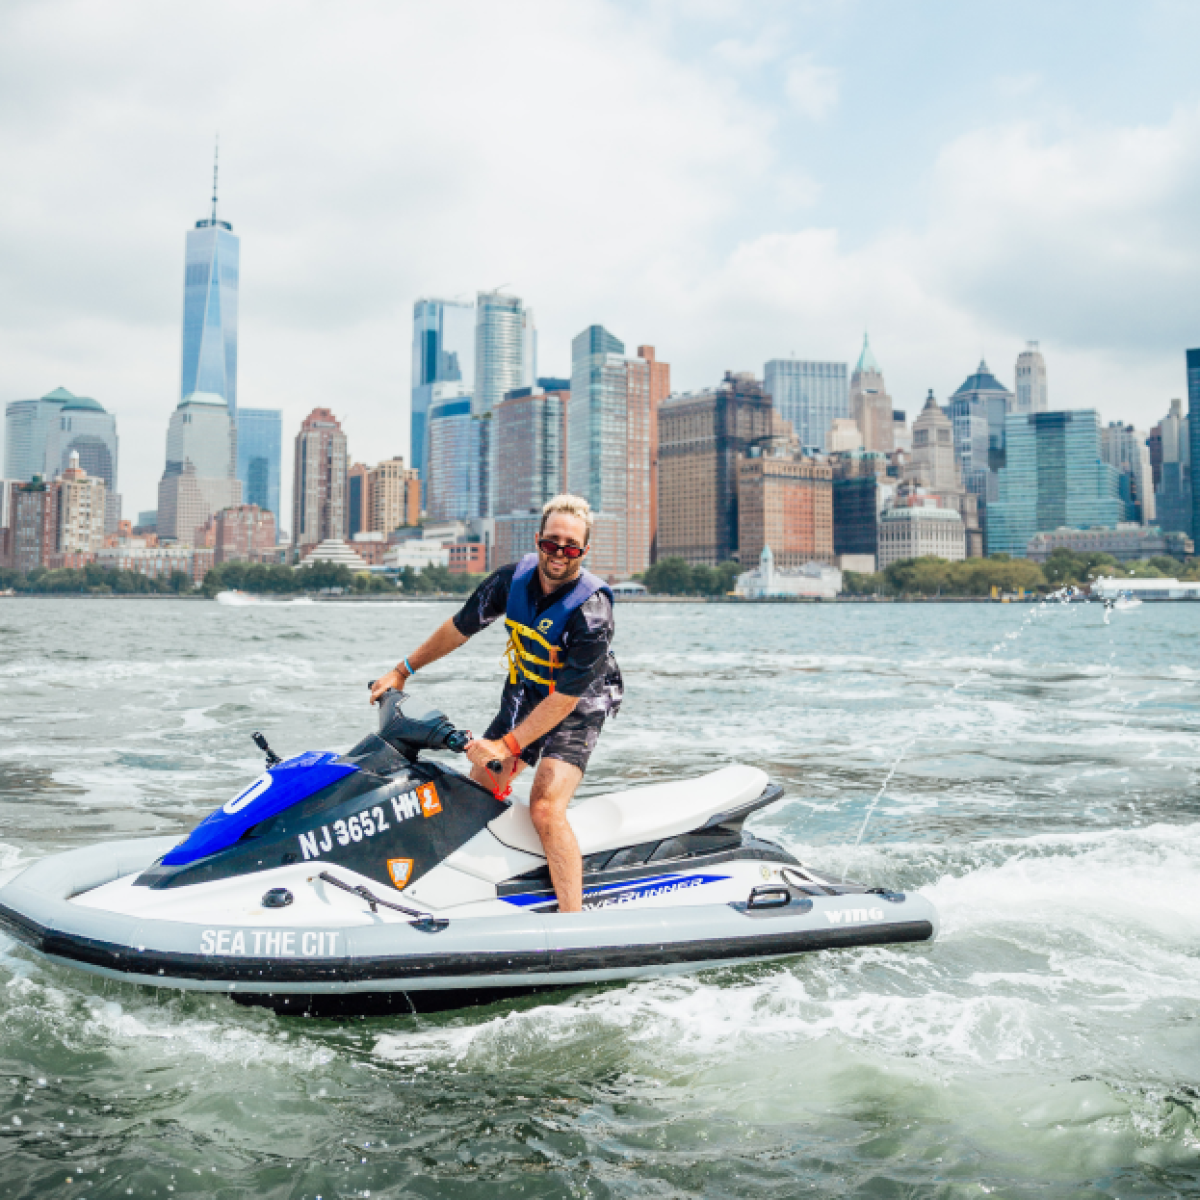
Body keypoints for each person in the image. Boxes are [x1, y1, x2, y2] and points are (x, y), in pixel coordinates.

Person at [368, 494, 621, 912]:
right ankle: (474, 888)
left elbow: (565, 700)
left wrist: (506, 746)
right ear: (538, 540)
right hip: (527, 690)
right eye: (552, 542)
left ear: (584, 551)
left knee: (545, 807)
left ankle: (573, 922)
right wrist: (402, 670)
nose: (559, 553)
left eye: (571, 547)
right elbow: (459, 628)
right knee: (480, 785)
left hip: (577, 704)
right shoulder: (510, 581)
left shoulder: (593, 611)